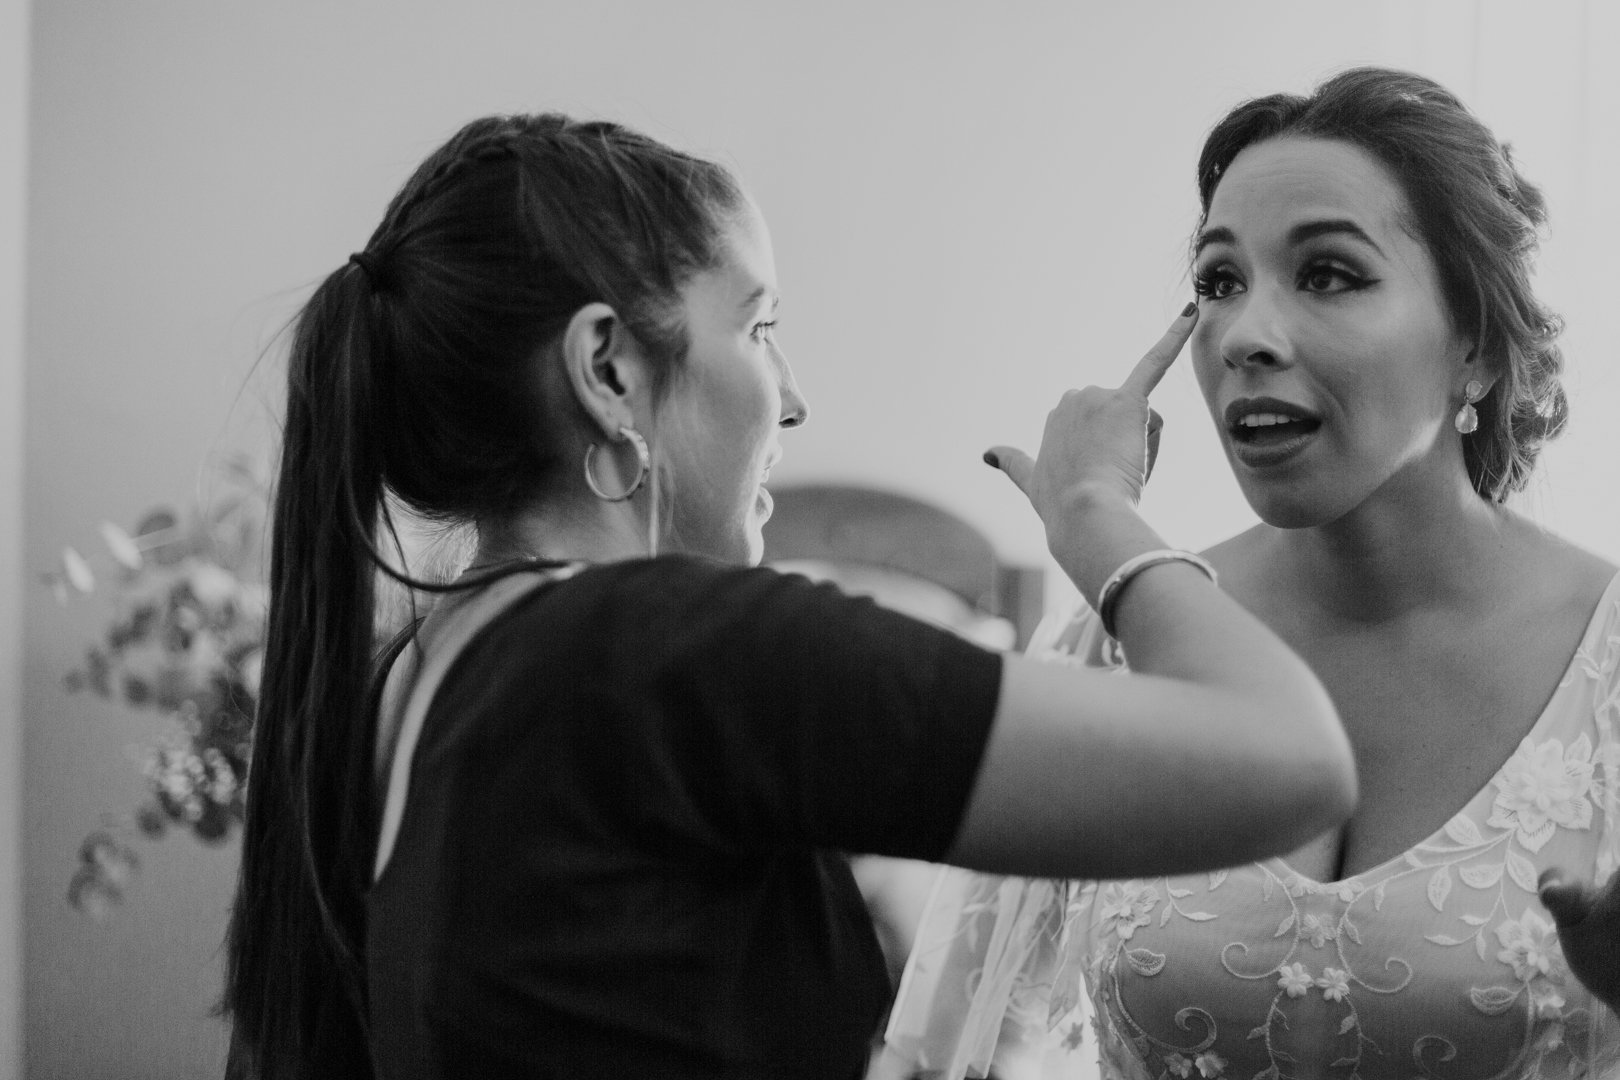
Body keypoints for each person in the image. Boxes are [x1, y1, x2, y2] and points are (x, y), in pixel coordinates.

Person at [219, 112, 1357, 1080]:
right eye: (762, 328)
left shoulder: (419, 674)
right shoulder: (664, 654)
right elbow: (1292, 760)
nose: (797, 399)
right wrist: (1096, 509)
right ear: (608, 369)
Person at [885, 67, 1620, 1080]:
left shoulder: (1610, 665)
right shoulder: (1121, 630)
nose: (1245, 337)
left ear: (1479, 351)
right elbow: (963, 1046)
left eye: (1328, 274)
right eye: (1219, 283)